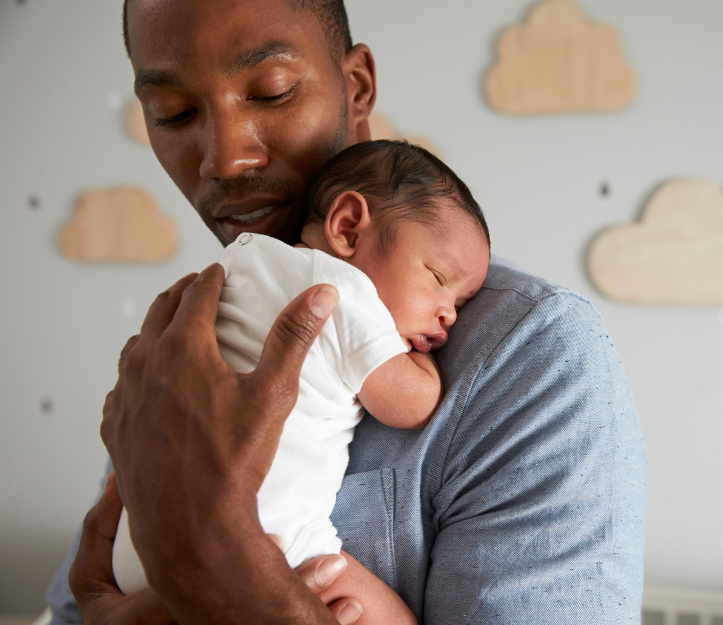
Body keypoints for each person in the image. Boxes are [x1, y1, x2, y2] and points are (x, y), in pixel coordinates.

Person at [46, 0, 648, 623]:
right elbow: (84, 599)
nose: (224, 159)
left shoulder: (532, 358)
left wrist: (226, 569)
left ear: (355, 86)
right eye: (173, 113)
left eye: (272, 92)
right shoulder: (189, 336)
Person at [112, 139, 491, 624]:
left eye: (460, 305)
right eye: (439, 278)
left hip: (138, 544)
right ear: (348, 227)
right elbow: (411, 404)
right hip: (267, 540)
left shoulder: (240, 263)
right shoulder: (346, 293)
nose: (448, 315)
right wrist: (423, 365)